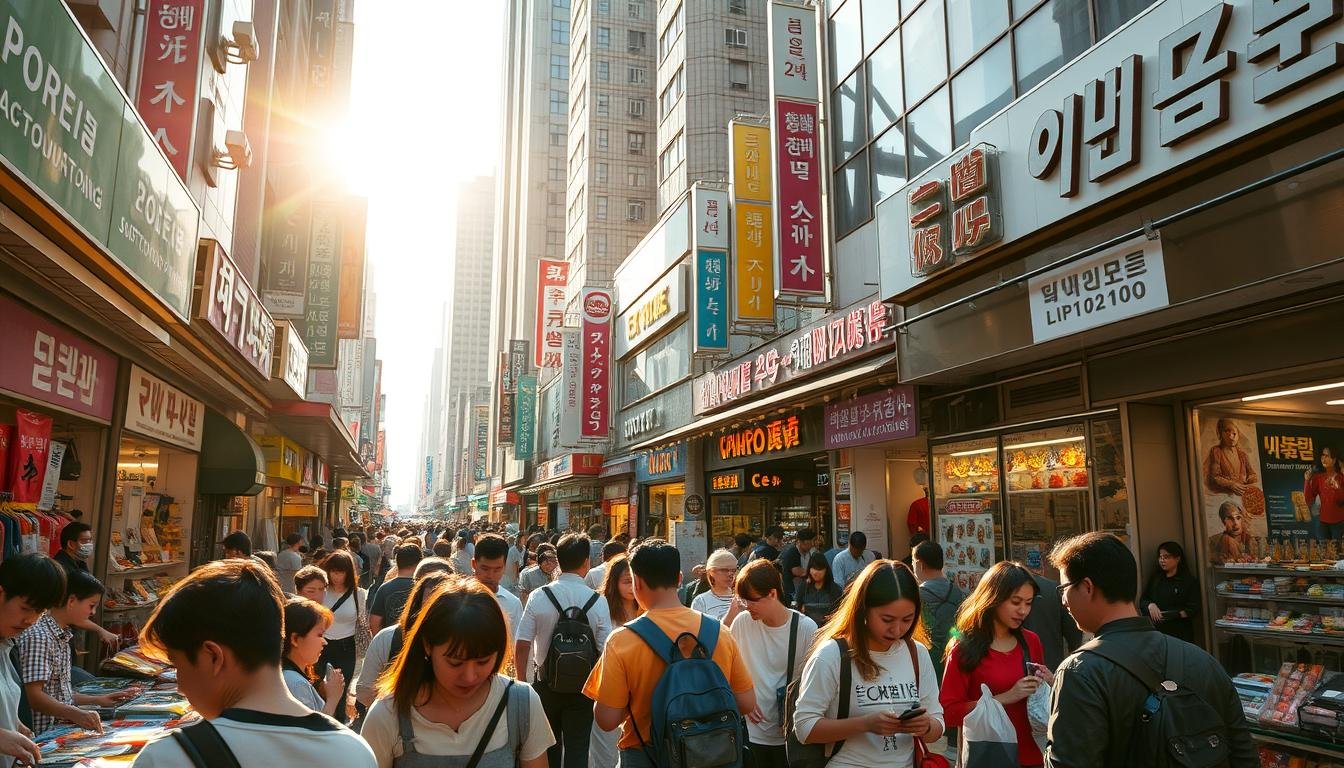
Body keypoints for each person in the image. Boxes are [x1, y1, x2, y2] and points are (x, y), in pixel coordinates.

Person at [131, 560, 376, 767]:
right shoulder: (353, 753)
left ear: (214, 656)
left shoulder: (168, 758)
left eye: (177, 665)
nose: (179, 687)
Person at [1044, 532, 1255, 767]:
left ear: (1087, 587)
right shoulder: (1204, 660)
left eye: (1064, 588)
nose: (1063, 600)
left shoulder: (1080, 672)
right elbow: (1243, 753)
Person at [583, 539, 757, 768]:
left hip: (645, 755)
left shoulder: (622, 641)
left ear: (637, 582)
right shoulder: (719, 633)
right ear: (679, 578)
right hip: (712, 754)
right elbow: (746, 703)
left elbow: (606, 720)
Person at [359, 579, 555, 768]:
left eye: (482, 661)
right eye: (455, 663)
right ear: (428, 645)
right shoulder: (388, 715)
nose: (469, 676)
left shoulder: (522, 704)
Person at [794, 560, 944, 768]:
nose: (897, 629)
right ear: (863, 609)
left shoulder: (916, 653)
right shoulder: (832, 655)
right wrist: (864, 724)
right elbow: (804, 728)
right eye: (887, 619)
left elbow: (938, 723)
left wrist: (925, 726)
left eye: (907, 619)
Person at [940, 562, 1051, 767]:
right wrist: (1004, 698)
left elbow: (1040, 702)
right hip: (988, 756)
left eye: (1028, 603)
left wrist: (1050, 683)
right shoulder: (963, 646)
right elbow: (949, 712)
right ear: (993, 598)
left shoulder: (1031, 641)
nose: (1023, 610)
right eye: (1016, 602)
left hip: (1034, 754)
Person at [516, 534, 611, 768]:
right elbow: (606, 649)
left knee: (549, 747)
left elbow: (522, 642)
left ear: (558, 560)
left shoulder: (539, 596)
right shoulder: (598, 601)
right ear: (586, 562)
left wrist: (522, 681)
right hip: (583, 689)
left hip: (545, 685)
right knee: (578, 748)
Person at [19, 569, 132, 737]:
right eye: (91, 606)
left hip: (59, 731)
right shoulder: (40, 637)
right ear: (71, 600)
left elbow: (60, 694)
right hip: (44, 737)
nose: (92, 613)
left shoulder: (62, 635)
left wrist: (97, 700)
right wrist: (74, 713)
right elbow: (34, 696)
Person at [730, 559, 818, 768]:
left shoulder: (805, 628)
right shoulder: (742, 623)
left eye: (752, 600)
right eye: (743, 601)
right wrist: (742, 699)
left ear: (772, 593)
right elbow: (729, 667)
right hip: (750, 731)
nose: (747, 607)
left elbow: (815, 683)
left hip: (790, 734)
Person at [354, 566, 454, 711]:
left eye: (443, 601)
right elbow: (364, 690)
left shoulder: (465, 641)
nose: (436, 608)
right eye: (430, 601)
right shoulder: (388, 638)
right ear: (418, 602)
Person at [319, 550, 367, 721]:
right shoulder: (321, 591)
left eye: (340, 572)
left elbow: (362, 620)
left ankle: (338, 724)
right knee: (319, 687)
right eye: (333, 571)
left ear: (348, 572)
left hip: (346, 647)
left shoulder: (358, 594)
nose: (336, 576)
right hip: (321, 645)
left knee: (341, 688)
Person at [281, 597, 344, 717]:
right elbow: (312, 733)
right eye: (320, 634)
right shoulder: (296, 683)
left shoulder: (290, 675)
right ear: (295, 639)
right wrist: (333, 699)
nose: (324, 642)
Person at [912, 540, 964, 680]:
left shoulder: (916, 596)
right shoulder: (959, 593)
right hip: (956, 659)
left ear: (919, 564)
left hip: (926, 662)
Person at [1138, 541, 1200, 645]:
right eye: (1160, 557)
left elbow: (1192, 609)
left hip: (1179, 634)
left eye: (1166, 557)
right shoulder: (1156, 579)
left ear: (1177, 559)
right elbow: (1143, 599)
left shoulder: (1188, 581)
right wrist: (1150, 605)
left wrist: (1171, 614)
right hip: (1157, 634)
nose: (1162, 560)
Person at [1021, 571, 1083, 672]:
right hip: (1050, 667)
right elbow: (1073, 633)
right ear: (1042, 568)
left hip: (1012, 670)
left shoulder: (1009, 588)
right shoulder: (1054, 589)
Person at [368, 543, 423, 634]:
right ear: (419, 563)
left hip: (390, 642)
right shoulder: (423, 587)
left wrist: (381, 641)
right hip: (415, 642)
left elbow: (374, 621)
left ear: (397, 562)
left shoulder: (384, 588)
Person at [473, 534, 524, 631]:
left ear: (504, 568)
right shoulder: (457, 600)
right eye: (485, 568)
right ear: (474, 564)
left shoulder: (513, 604)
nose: (490, 575)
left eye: (497, 569)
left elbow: (515, 642)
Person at [1203, 417, 1258, 496]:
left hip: (1242, 495)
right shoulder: (1216, 451)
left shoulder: (1243, 455)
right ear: (1220, 433)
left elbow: (1252, 474)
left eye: (1234, 432)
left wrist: (1250, 479)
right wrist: (1231, 484)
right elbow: (1215, 476)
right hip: (1223, 496)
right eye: (1227, 431)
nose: (1231, 435)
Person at [691, 549, 746, 623]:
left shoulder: (744, 597)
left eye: (733, 570)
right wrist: (730, 616)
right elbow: (698, 632)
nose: (730, 574)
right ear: (711, 572)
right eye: (724, 570)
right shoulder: (700, 602)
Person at [1305, 445, 1344, 540]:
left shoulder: (1341, 478)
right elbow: (1308, 500)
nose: (1324, 458)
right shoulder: (1318, 478)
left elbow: (1341, 501)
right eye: (1323, 455)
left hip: (1339, 522)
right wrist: (1306, 481)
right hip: (1322, 522)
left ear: (1334, 460)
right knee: (1323, 551)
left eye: (1327, 456)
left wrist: (1337, 487)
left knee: (1337, 551)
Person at [794, 551, 844, 624]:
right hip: (807, 629)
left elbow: (839, 615)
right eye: (813, 568)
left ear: (826, 570)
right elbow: (796, 609)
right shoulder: (804, 586)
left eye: (819, 569)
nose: (815, 572)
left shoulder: (835, 589)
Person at [778, 528, 816, 606]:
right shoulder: (792, 553)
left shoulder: (810, 552)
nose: (812, 544)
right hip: (792, 590)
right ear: (801, 542)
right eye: (810, 542)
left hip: (804, 588)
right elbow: (797, 571)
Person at [1207, 500, 1251, 565]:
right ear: (1223, 522)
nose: (1235, 523)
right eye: (1230, 519)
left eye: (1238, 518)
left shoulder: (1249, 539)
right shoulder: (1213, 541)